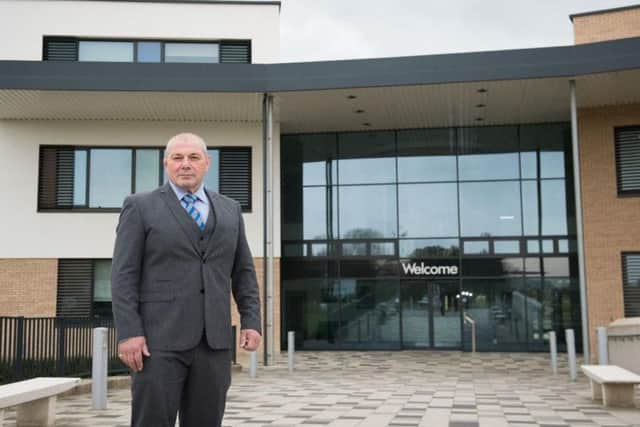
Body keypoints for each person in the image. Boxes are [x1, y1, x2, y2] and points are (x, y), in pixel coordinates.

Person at [111, 132, 261, 427]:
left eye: (193, 157)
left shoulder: (230, 209)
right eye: (177, 158)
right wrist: (129, 332)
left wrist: (252, 320)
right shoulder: (139, 207)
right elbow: (123, 275)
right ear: (166, 163)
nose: (185, 164)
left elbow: (243, 271)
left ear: (207, 162)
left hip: (213, 342)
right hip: (157, 342)